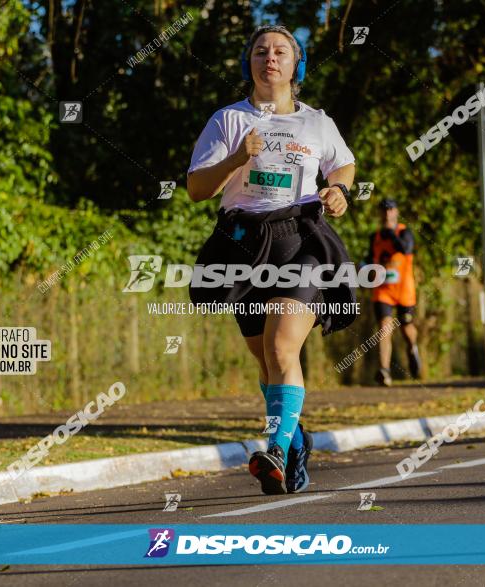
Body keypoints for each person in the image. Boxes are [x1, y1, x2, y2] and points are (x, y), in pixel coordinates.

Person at [186, 25, 357, 495]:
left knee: (283, 347)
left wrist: (338, 188)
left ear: (296, 65)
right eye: (260, 51)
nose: (270, 58)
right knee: (265, 360)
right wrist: (236, 159)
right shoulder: (228, 120)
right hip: (242, 243)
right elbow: (199, 189)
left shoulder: (317, 122)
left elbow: (342, 162)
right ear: (250, 64)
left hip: (299, 238)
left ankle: (276, 448)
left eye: (281, 51)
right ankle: (295, 437)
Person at [367, 198, 421, 385]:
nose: (387, 213)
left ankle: (412, 347)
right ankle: (384, 371)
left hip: (404, 290)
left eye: (391, 209)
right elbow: (368, 259)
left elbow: (405, 249)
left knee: (407, 328)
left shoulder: (404, 232)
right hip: (383, 290)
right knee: (384, 328)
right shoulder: (374, 237)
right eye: (383, 210)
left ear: (396, 212)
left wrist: (391, 234)